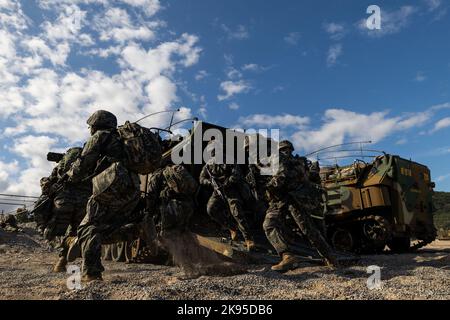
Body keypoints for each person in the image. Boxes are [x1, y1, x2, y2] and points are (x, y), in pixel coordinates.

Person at [67, 110, 141, 282]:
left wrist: (71, 175)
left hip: (111, 183)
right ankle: (140, 228)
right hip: (133, 186)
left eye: (90, 126)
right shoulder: (125, 140)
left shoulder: (100, 136)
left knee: (87, 227)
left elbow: (83, 164)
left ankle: (91, 273)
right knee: (110, 226)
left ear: (95, 124)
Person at [263, 140, 340, 272]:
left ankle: (331, 258)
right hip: (284, 199)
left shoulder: (281, 159)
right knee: (270, 224)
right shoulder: (297, 162)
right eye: (284, 149)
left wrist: (268, 186)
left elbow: (282, 176)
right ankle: (287, 256)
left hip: (293, 199)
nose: (285, 152)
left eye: (286, 149)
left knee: (309, 231)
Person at [199, 146, 256, 251]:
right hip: (217, 191)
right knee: (210, 209)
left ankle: (248, 238)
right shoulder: (208, 165)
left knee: (237, 212)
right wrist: (210, 182)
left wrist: (226, 183)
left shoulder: (229, 160)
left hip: (231, 189)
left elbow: (237, 174)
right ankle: (232, 228)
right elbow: (201, 178)